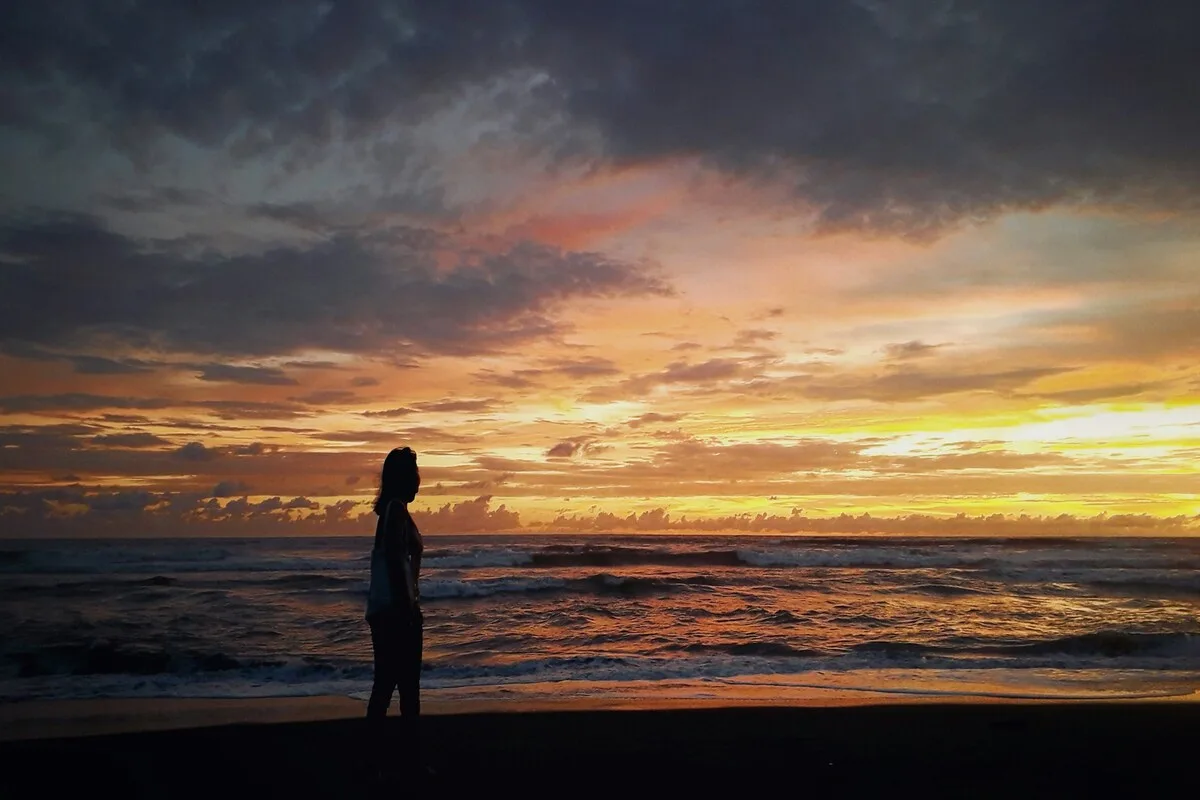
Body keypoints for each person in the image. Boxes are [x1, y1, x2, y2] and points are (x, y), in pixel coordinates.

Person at [364, 446, 426, 779]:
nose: (420, 481)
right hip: (397, 614)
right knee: (405, 690)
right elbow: (392, 560)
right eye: (416, 473)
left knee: (386, 686)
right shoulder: (397, 511)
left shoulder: (391, 510)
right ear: (405, 478)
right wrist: (408, 609)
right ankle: (408, 764)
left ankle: (374, 761)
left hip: (387, 612)